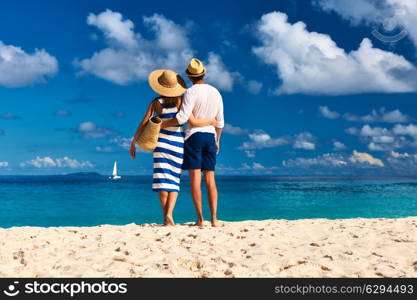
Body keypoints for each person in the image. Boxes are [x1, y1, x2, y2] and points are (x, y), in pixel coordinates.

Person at [129, 69, 215, 226]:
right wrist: (210, 122)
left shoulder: (156, 102)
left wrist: (134, 141)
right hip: (177, 143)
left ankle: (167, 218)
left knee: (162, 179)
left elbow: (144, 121)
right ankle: (169, 214)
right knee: (174, 180)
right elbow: (188, 120)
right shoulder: (181, 101)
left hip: (161, 142)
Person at [161, 58, 224, 227]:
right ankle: (215, 219)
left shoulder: (190, 92)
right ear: (204, 73)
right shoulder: (216, 92)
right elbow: (220, 122)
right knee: (211, 180)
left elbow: (181, 118)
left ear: (189, 77)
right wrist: (217, 140)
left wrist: (160, 124)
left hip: (194, 138)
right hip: (211, 138)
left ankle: (200, 219)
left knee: (195, 180)